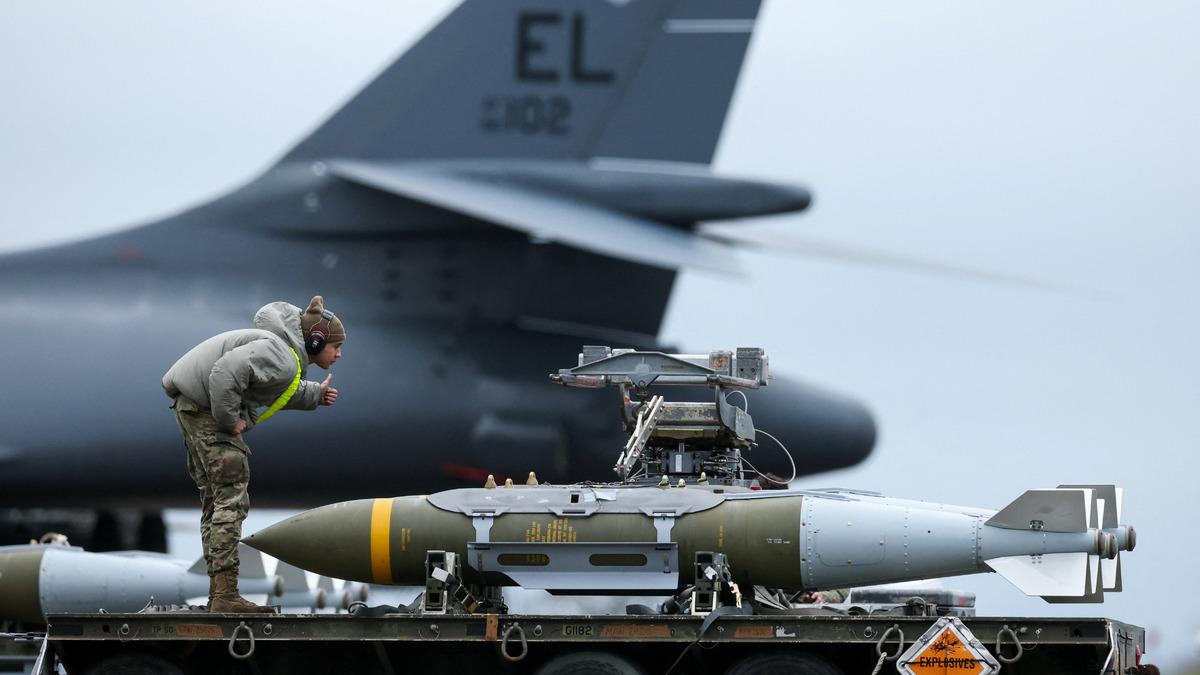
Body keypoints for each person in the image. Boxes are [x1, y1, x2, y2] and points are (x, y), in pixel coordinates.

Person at [162, 296, 345, 612]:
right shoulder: (281, 355)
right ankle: (224, 596)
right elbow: (224, 374)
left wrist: (316, 394)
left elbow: (277, 387)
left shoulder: (283, 357)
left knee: (216, 500)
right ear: (315, 340)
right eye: (335, 346)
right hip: (206, 410)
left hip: (193, 406)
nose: (339, 354)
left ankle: (220, 593)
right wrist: (230, 420)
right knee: (231, 497)